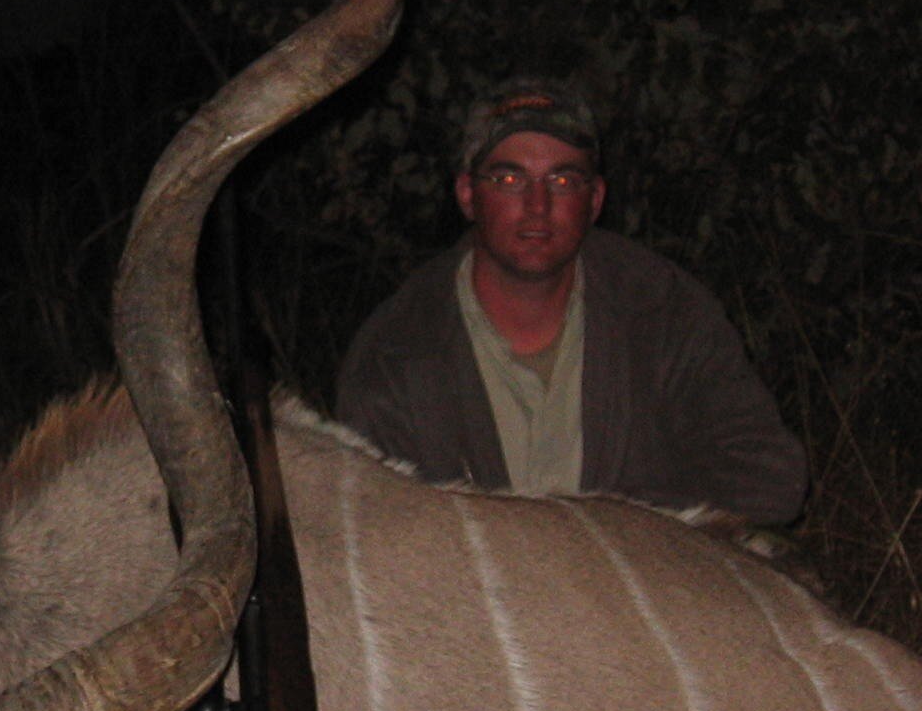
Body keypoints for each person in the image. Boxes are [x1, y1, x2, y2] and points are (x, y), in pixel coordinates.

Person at [335, 82, 807, 526]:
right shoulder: (396, 351)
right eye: (508, 178)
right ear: (467, 195)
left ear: (595, 198)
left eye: (562, 181)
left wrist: (611, 534)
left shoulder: (662, 307)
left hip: (640, 584)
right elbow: (376, 525)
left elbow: (771, 476)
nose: (537, 204)